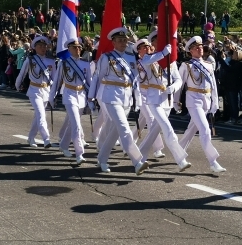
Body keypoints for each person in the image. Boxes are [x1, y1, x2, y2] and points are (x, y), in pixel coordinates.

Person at [88, 27, 149, 175]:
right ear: (113, 42)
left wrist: (137, 100)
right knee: (124, 127)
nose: (123, 42)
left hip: (126, 98)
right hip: (110, 97)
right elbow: (98, 77)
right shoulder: (106, 57)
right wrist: (92, 96)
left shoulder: (131, 58)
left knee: (114, 133)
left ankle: (102, 159)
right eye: (119, 40)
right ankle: (137, 161)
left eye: (124, 40)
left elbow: (135, 80)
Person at [136, 40, 190, 171]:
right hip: (154, 99)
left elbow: (178, 79)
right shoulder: (146, 61)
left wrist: (173, 88)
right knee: (167, 128)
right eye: (145, 47)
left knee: (154, 131)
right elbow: (149, 60)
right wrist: (164, 52)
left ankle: (138, 156)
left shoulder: (169, 62)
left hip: (166, 100)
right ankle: (181, 159)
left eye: (150, 46)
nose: (148, 48)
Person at [176, 36, 226, 173]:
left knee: (191, 129)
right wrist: (176, 101)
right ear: (190, 51)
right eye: (196, 47)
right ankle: (213, 161)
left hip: (207, 99)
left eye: (200, 47)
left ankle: (177, 152)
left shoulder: (209, 65)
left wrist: (215, 102)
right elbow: (179, 85)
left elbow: (213, 85)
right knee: (205, 130)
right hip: (194, 100)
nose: (199, 49)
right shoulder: (187, 66)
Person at [50, 38, 92, 165]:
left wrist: (92, 98)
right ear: (69, 49)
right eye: (74, 48)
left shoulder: (86, 63)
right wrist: (52, 97)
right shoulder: (64, 63)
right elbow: (57, 81)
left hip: (81, 95)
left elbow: (89, 82)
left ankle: (63, 145)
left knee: (72, 123)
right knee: (76, 124)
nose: (78, 49)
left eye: (79, 47)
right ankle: (79, 153)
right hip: (69, 95)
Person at [16, 35, 55, 147]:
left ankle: (31, 137)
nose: (43, 48)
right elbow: (22, 74)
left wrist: (54, 93)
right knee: (41, 115)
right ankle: (46, 139)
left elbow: (54, 78)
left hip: (46, 91)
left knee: (38, 116)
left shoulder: (51, 61)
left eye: (44, 46)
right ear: (35, 47)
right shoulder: (30, 60)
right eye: (40, 46)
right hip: (34, 90)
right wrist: (18, 85)